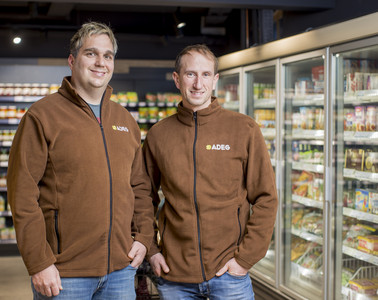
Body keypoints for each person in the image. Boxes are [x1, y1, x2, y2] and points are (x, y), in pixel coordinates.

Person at [7, 21, 154, 299]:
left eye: (108, 55)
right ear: (72, 61)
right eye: (91, 54)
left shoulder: (125, 120)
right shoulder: (42, 117)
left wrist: (144, 238)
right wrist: (39, 262)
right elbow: (22, 195)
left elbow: (140, 188)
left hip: (120, 271)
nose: (101, 62)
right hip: (64, 274)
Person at [142, 44, 278, 300]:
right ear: (176, 79)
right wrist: (152, 250)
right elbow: (142, 196)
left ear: (215, 80)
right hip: (174, 276)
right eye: (190, 74)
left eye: (205, 75)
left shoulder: (244, 129)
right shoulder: (159, 134)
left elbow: (266, 197)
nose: (197, 83)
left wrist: (245, 259)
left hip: (229, 273)